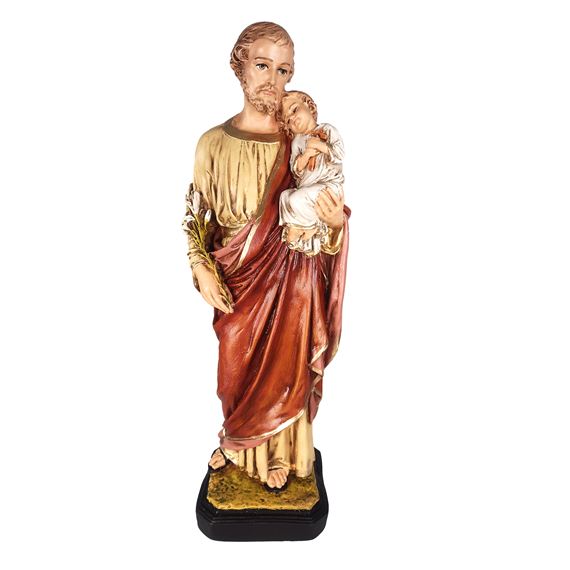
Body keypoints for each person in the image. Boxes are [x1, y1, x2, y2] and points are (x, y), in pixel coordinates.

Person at [183, 22, 349, 490]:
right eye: (262, 65)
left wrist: (336, 227)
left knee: (285, 368)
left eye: (284, 71)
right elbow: (197, 214)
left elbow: (323, 212)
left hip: (292, 283)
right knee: (233, 372)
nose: (273, 80)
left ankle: (280, 452)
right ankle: (237, 439)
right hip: (237, 281)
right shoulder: (212, 143)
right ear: (239, 67)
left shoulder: (296, 144)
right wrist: (201, 266)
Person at [278, 90, 345, 257]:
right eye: (288, 120)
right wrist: (307, 154)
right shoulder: (297, 141)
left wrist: (319, 145)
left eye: (294, 110)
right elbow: (296, 169)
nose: (293, 118)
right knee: (285, 196)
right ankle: (296, 226)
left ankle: (314, 228)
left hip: (328, 187)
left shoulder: (327, 130)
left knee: (297, 199)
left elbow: (339, 154)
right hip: (308, 188)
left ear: (309, 105)